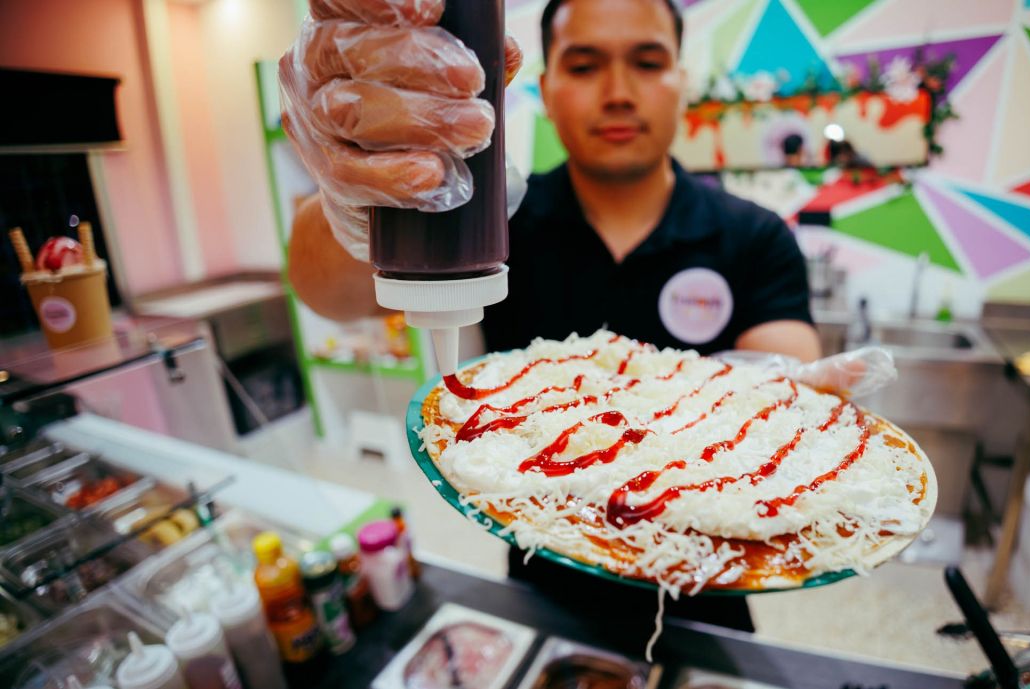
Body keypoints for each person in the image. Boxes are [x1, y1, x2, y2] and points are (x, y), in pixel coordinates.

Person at [281, 0, 823, 634]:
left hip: (710, 597)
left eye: (647, 62)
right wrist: (355, 198)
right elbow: (325, 293)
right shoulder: (493, 219)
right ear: (543, 84)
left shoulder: (754, 238)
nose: (619, 93)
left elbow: (792, 384)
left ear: (683, 79)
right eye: (585, 64)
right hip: (543, 592)